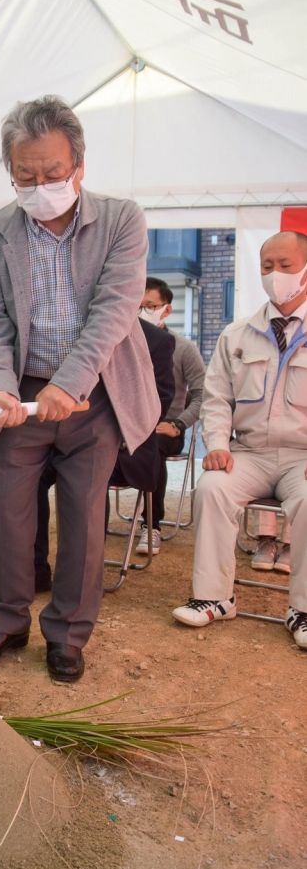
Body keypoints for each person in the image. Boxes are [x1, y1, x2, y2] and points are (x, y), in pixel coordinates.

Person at [0, 95, 160, 683]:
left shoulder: (121, 220)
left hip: (96, 395)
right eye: (27, 176)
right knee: (8, 512)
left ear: (79, 165)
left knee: (82, 515)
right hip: (20, 394)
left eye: (53, 173)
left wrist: (70, 384)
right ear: (11, 172)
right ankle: (6, 619)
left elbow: (115, 311)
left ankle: (69, 632)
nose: (41, 184)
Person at [172, 230, 307, 650]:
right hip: (248, 453)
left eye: (285, 265)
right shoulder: (237, 335)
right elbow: (216, 400)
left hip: (303, 458)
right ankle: (214, 598)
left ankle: (302, 610)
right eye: (267, 266)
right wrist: (218, 446)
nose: (275, 275)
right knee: (211, 488)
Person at [34, 315, 174, 590]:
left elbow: (160, 398)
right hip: (64, 437)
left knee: (90, 474)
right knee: (32, 474)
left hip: (125, 444)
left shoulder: (156, 339)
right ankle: (36, 568)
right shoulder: (74, 330)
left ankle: (82, 579)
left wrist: (116, 435)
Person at [136, 278, 205, 555]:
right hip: (128, 425)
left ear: (166, 310)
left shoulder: (183, 348)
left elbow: (203, 395)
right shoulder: (122, 341)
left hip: (165, 429)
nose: (143, 312)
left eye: (150, 306)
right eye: (138, 306)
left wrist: (179, 424)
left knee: (152, 447)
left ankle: (151, 525)